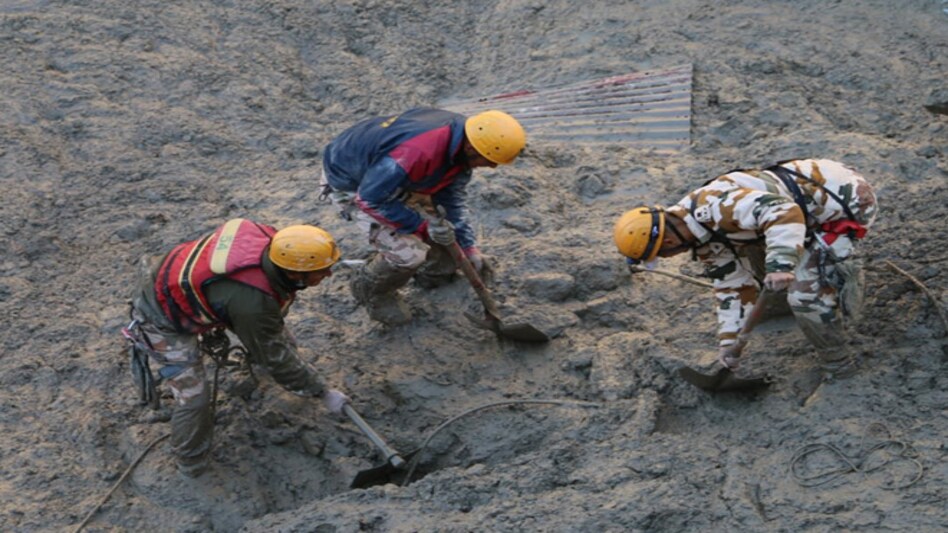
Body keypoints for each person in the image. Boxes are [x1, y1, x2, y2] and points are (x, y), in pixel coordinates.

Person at [126, 218, 351, 477]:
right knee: (195, 399)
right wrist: (322, 392)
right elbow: (276, 356)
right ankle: (190, 460)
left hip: (186, 279)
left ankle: (261, 366)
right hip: (160, 313)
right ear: (294, 273)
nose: (329, 275)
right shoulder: (254, 304)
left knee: (280, 343)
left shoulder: (274, 243)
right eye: (321, 270)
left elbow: (271, 337)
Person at [613, 158, 878, 377]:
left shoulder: (715, 209)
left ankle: (839, 365)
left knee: (805, 294)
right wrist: (729, 343)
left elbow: (785, 213)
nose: (671, 257)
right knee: (755, 255)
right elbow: (731, 287)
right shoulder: (699, 236)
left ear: (668, 242)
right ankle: (788, 304)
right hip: (804, 210)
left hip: (843, 203)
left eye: (664, 254)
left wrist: (781, 264)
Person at [319, 107, 526, 325]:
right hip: (352, 182)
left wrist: (468, 247)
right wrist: (423, 227)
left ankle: (432, 274)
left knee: (445, 230)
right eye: (488, 159)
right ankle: (371, 290)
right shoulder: (417, 151)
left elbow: (451, 200)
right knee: (410, 253)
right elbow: (370, 200)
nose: (492, 166)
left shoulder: (464, 141)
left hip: (392, 175)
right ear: (470, 146)